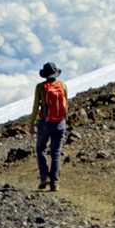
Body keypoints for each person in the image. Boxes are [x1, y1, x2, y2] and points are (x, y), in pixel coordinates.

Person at [25, 61, 71, 191]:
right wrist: (64, 121)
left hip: (45, 122)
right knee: (56, 153)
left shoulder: (40, 87)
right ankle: (55, 183)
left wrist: (32, 123)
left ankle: (44, 176)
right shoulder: (63, 86)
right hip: (60, 122)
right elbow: (66, 105)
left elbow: (35, 107)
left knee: (40, 149)